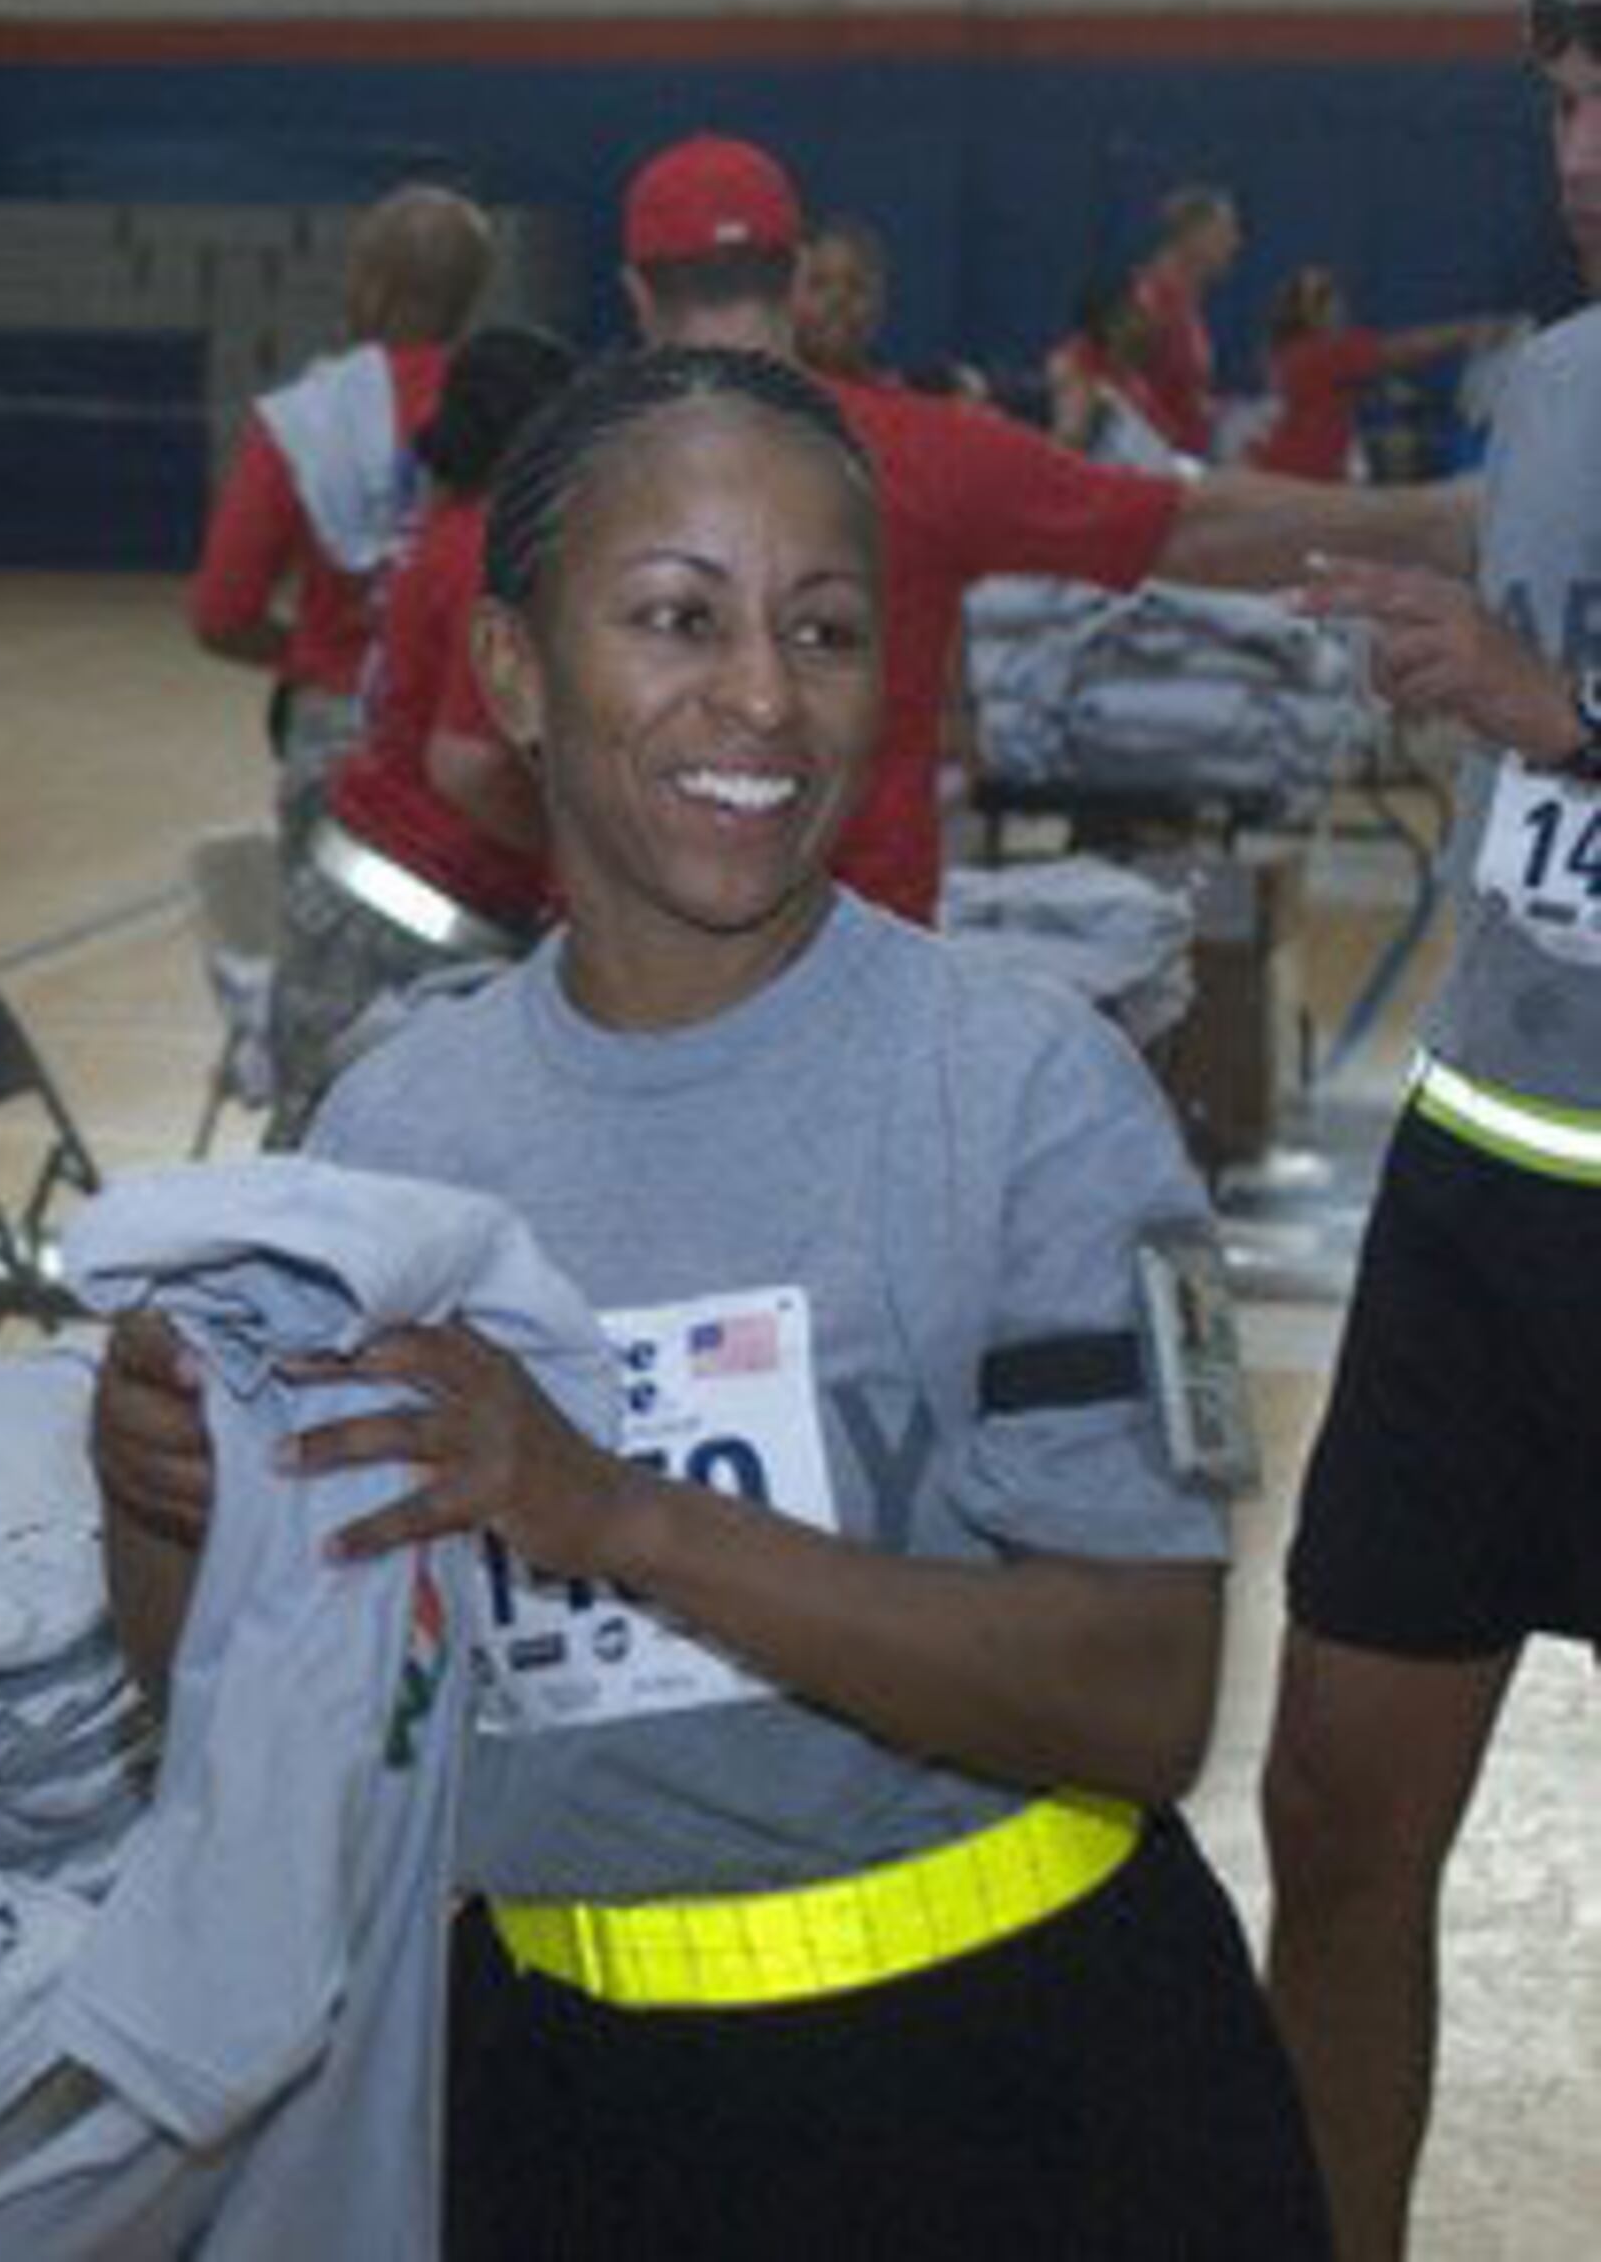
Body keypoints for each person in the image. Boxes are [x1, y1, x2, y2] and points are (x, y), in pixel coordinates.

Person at [93, 343, 1330, 2257]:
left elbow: (1143, 1691)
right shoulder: (396, 1133)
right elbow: (254, 1716)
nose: (760, 693)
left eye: (826, 631)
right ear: (511, 674)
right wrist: (156, 1497)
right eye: (676, 617)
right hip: (562, 2118)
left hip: (1027, 2109)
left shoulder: (1027, 1096)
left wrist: (621, 1515)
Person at [1257, 0, 1601, 2262]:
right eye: (1560, 108)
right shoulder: (1554, 385)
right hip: (1480, 1188)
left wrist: (1563, 724)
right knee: (1329, 1817)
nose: (1578, 163)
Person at [610, 132, 1473, 925]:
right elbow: (1196, 527)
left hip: (634, 990)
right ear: (795, 276)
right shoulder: (923, 453)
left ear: (636, 294)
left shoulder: (566, 482)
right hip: (853, 969)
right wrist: (1439, 523)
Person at [189, 181, 500, 1128]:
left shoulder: (306, 422)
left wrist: (321, 658)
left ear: (366, 285)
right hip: (478, 757)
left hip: (343, 761)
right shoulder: (514, 414)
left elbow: (222, 610)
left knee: (326, 1051)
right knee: (472, 1045)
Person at [262, 322, 574, 1145]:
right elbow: (468, 764)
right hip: (412, 930)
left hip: (362, 896)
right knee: (350, 1185)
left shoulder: (452, 525)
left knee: (322, 1163)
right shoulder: (493, 553)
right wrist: (588, 855)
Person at [1249, 264, 1515, 486]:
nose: (1339, 306)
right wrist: (1470, 331)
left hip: (1293, 472)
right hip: (1299, 474)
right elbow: (1404, 349)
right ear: (1312, 311)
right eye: (1328, 299)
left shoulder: (1290, 355)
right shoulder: (1322, 353)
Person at [1129, 182, 1244, 460]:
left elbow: (1179, 394)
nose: (1235, 243)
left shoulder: (1186, 304)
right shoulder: (1150, 301)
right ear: (1193, 237)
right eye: (1224, 232)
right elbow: (1119, 390)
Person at [1043, 271, 1191, 475]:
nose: (1151, 326)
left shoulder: (1135, 381)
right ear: (1111, 320)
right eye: (1140, 316)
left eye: (1151, 316)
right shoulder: (1073, 368)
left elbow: (1164, 448)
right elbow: (1066, 445)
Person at [791, 211, 896, 388]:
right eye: (818, 283)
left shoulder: (899, 400)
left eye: (857, 286)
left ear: (880, 303)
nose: (838, 301)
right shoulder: (758, 398)